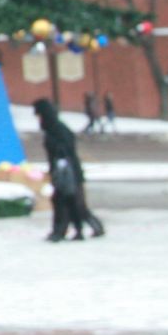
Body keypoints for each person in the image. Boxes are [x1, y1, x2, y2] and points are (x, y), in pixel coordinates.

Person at [33, 97, 106, 241]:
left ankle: (64, 231)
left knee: (70, 203)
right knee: (69, 203)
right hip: (67, 173)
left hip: (68, 174)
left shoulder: (56, 130)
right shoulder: (56, 128)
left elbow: (64, 151)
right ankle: (67, 230)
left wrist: (58, 164)